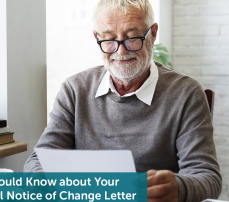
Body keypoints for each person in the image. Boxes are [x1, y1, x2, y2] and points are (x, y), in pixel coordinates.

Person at [24, 0, 222, 201]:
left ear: (152, 34)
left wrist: (178, 188)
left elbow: (207, 178)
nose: (120, 51)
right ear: (96, 38)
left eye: (132, 37)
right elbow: (39, 160)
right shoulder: (75, 90)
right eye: (109, 39)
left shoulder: (185, 93)